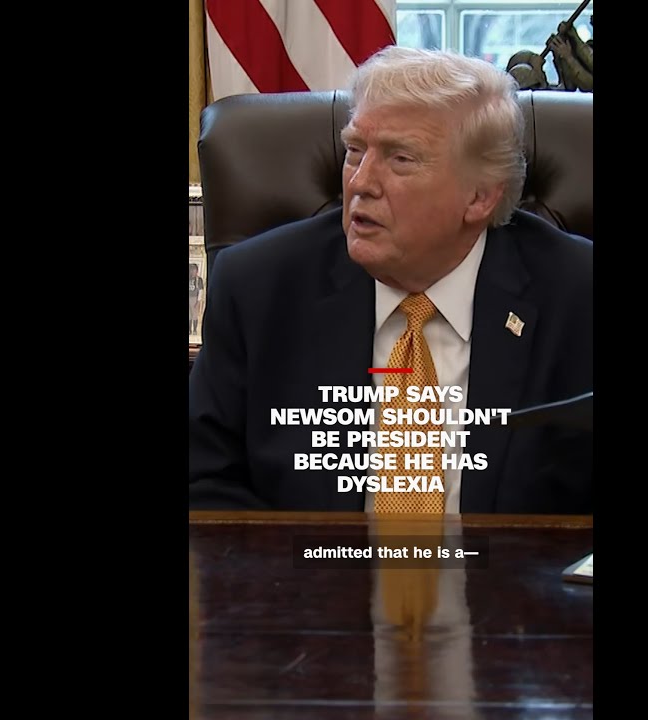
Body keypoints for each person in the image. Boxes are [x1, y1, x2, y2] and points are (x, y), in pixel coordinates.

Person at [189, 47, 592, 513]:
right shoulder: (260, 287)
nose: (361, 183)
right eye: (354, 151)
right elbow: (203, 481)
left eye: (401, 159)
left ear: (480, 197)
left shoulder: (577, 295)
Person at [188, 263, 204, 335]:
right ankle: (189, 330)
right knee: (189, 315)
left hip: (194, 298)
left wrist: (198, 301)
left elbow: (200, 291)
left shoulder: (199, 279)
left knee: (194, 315)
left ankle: (194, 329)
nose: (193, 272)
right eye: (192, 270)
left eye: (195, 270)